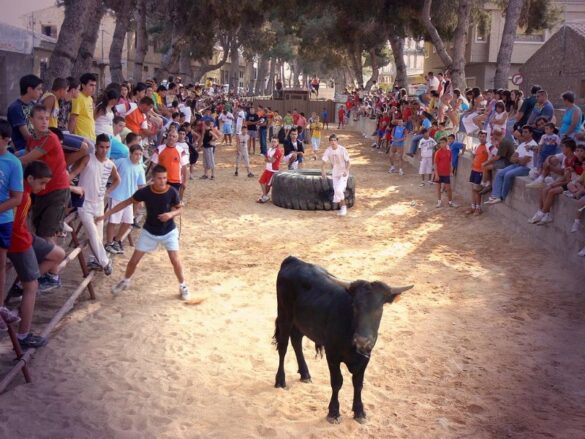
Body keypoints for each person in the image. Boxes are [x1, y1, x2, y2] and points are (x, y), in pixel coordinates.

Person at [98, 165, 190, 300]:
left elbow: (179, 209)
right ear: (153, 179)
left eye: (164, 178)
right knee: (133, 260)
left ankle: (183, 286)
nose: (163, 181)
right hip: (149, 231)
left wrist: (170, 214)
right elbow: (126, 202)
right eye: (159, 178)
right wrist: (107, 214)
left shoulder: (172, 192)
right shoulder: (145, 192)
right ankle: (125, 281)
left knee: (175, 260)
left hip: (169, 231)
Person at [6, 161, 66, 347]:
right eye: (42, 183)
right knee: (31, 287)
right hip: (19, 242)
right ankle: (23, 335)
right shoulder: (22, 196)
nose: (44, 187)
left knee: (58, 254)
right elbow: (13, 225)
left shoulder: (25, 193)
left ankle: (25, 282)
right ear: (29, 179)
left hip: (25, 237)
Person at [20, 106, 78, 249]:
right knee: (40, 232)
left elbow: (26, 159)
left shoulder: (50, 138)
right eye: (40, 118)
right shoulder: (32, 139)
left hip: (57, 190)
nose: (44, 122)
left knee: (48, 234)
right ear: (31, 120)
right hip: (41, 191)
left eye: (47, 118)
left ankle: (52, 270)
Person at [69, 134, 120, 274]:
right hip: (84, 203)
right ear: (97, 147)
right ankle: (105, 262)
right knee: (92, 233)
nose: (104, 150)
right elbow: (74, 172)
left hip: (98, 204)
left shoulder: (110, 164)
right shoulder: (88, 159)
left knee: (98, 235)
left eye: (107, 147)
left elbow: (117, 180)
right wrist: (64, 181)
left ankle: (94, 260)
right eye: (102, 147)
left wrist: (107, 192)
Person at [0, 120, 24, 333]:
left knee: (0, 263)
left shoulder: (12, 163)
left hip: (3, 220)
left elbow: (17, 198)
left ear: (6, 140)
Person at [105, 145, 146, 255]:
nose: (138, 156)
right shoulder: (121, 162)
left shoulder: (140, 168)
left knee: (128, 222)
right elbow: (109, 170)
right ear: (131, 153)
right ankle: (108, 243)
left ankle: (117, 240)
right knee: (113, 221)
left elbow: (141, 185)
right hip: (116, 195)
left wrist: (141, 200)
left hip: (129, 199)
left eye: (140, 154)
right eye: (136, 154)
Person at [485, 125, 537, 205]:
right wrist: (520, 159)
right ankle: (495, 196)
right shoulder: (522, 145)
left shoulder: (533, 145)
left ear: (531, 134)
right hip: (517, 165)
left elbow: (524, 162)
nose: (523, 134)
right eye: (523, 132)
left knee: (508, 174)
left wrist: (518, 159)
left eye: (526, 132)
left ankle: (502, 197)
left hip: (526, 168)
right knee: (500, 173)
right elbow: (512, 158)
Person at [7, 74, 44, 151]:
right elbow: (27, 136)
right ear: (29, 89)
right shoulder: (16, 108)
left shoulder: (34, 105)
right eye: (39, 89)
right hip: (23, 148)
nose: (41, 92)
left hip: (36, 145)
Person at [151, 129, 190, 196]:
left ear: (177, 138)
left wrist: (185, 181)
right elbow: (154, 165)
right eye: (170, 136)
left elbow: (184, 167)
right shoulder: (159, 149)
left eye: (174, 136)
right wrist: (154, 178)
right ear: (167, 136)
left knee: (173, 203)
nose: (171, 138)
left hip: (176, 180)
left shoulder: (181, 150)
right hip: (162, 180)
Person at [321, 134, 351, 216]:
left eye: (334, 140)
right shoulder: (328, 150)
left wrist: (346, 170)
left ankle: (344, 207)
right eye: (331, 140)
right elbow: (323, 162)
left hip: (343, 173)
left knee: (338, 190)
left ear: (337, 141)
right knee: (337, 192)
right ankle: (342, 209)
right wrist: (323, 171)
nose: (333, 142)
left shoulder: (342, 149)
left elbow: (348, 162)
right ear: (329, 142)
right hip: (335, 173)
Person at [465, 130, 490, 215]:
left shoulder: (488, 146)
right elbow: (473, 155)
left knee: (477, 189)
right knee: (473, 189)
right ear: (478, 137)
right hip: (474, 170)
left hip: (481, 171)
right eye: (480, 136)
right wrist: (473, 162)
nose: (482, 138)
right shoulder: (477, 146)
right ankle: (473, 207)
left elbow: (491, 158)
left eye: (484, 136)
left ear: (486, 137)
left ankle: (478, 208)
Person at [69, 73, 97, 141]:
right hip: (82, 137)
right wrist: (70, 136)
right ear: (83, 85)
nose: (94, 88)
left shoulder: (90, 98)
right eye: (91, 85)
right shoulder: (78, 97)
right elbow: (73, 118)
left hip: (91, 136)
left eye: (95, 85)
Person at [257, 137, 283, 203]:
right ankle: (265, 195)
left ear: (277, 143)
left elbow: (272, 161)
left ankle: (264, 196)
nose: (273, 143)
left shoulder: (278, 151)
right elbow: (266, 159)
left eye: (275, 142)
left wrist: (269, 159)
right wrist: (269, 159)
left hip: (273, 170)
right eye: (272, 141)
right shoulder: (270, 149)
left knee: (267, 185)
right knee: (261, 181)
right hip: (268, 169)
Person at [434, 137, 456, 208]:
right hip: (439, 173)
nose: (442, 144)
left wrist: (451, 171)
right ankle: (439, 202)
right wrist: (436, 174)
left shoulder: (449, 152)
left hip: (446, 173)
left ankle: (450, 202)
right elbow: (435, 164)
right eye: (440, 143)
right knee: (438, 188)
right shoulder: (438, 153)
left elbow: (450, 162)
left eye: (443, 142)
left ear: (446, 143)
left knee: (448, 189)